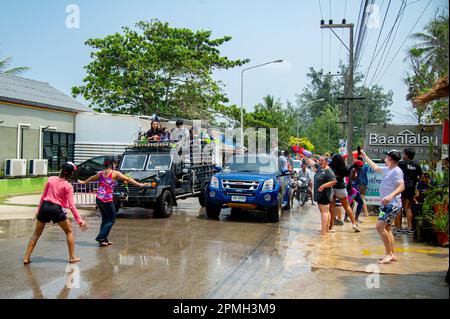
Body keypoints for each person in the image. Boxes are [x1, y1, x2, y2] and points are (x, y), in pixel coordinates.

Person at [23, 162, 88, 264]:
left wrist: (38, 211)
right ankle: (72, 257)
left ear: (61, 170)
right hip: (56, 209)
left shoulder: (51, 179)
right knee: (69, 231)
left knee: (36, 234)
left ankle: (26, 258)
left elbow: (43, 196)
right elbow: (72, 206)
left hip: (44, 206)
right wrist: (79, 220)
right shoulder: (68, 186)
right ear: (71, 174)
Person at [78, 157, 147, 247]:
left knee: (105, 219)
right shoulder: (115, 173)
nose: (115, 165)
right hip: (107, 200)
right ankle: (100, 237)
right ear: (111, 164)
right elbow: (128, 179)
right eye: (115, 163)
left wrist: (84, 182)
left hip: (99, 199)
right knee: (112, 219)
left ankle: (103, 240)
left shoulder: (101, 173)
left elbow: (92, 177)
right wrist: (140, 184)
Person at [361, 149, 405, 264]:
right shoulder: (389, 169)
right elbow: (375, 167)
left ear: (390, 158)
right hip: (388, 205)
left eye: (386, 157)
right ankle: (392, 254)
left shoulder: (396, 171)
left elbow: (401, 186)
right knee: (387, 228)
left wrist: (390, 196)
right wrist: (365, 156)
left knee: (379, 227)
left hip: (391, 205)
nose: (385, 159)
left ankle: (389, 254)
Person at [328, 154, 361, 232]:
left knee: (331, 208)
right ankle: (354, 224)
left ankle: (331, 226)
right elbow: (349, 175)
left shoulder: (330, 166)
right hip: (341, 188)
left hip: (331, 187)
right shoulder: (344, 167)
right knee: (347, 206)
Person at [396, 148, 422, 235]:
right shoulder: (417, 165)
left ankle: (399, 228)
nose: (403, 155)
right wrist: (416, 188)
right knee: (408, 207)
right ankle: (410, 228)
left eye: (404, 154)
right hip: (411, 188)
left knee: (399, 207)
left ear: (406, 155)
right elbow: (421, 177)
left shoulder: (401, 164)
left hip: (401, 187)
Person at [313, 156, 337, 235]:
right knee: (326, 212)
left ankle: (323, 232)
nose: (320, 162)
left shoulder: (328, 170)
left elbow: (333, 181)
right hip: (322, 194)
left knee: (324, 212)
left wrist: (323, 186)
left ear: (327, 162)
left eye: (322, 161)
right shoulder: (321, 168)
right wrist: (303, 155)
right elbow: (311, 163)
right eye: (319, 160)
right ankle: (326, 229)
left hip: (324, 194)